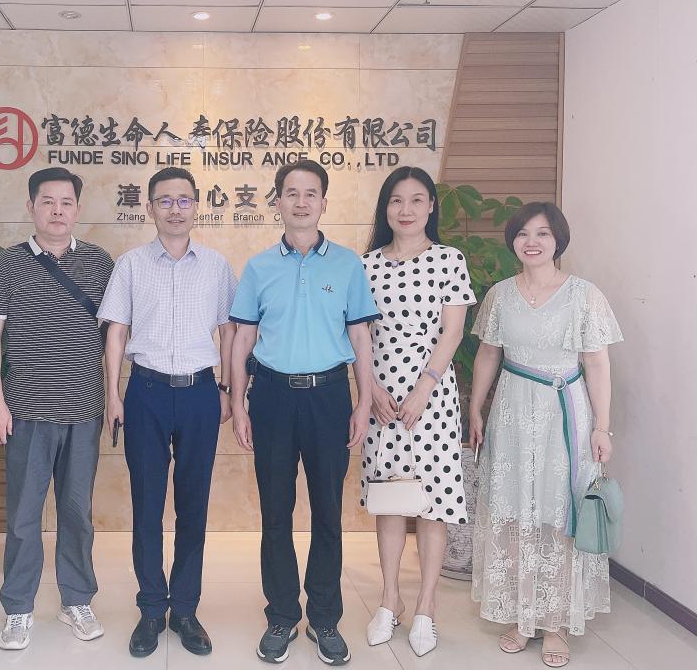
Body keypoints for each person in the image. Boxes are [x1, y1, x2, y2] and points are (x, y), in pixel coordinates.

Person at [229, 160, 380, 666]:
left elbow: (361, 337)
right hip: (271, 397)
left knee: (327, 514)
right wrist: (238, 401)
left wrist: (363, 402)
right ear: (277, 201)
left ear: (323, 202)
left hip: (329, 397)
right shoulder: (258, 267)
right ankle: (281, 615)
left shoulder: (347, 265)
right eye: (290, 193)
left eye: (310, 193)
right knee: (275, 512)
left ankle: (324, 618)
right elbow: (243, 338)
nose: (300, 202)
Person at [468, 202, 621, 669]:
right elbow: (488, 355)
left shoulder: (584, 295)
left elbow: (597, 363)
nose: (531, 241)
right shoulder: (500, 295)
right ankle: (523, 616)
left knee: (558, 513)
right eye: (522, 233)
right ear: (512, 241)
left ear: (559, 240)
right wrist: (475, 407)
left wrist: (601, 426)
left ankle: (555, 623)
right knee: (514, 509)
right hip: (512, 412)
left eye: (542, 233)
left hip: (565, 414)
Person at [99, 167, 238, 659]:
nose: (175, 209)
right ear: (150, 207)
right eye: (165, 200)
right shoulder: (131, 265)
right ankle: (152, 608)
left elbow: (229, 332)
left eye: (183, 200)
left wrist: (227, 390)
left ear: (196, 205)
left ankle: (185, 608)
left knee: (193, 505)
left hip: (200, 392)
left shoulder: (216, 266)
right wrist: (113, 395)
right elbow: (116, 332)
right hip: (146, 392)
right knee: (147, 503)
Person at [0, 167, 114, 651]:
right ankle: (18, 608)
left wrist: (114, 395)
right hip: (27, 410)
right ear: (31, 207)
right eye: (48, 202)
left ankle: (76, 599)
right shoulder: (7, 265)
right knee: (23, 516)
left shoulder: (99, 263)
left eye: (66, 202)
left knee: (77, 512)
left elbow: (115, 336)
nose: (58, 211)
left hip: (83, 408)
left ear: (78, 208)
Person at [358, 167, 476, 657]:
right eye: (396, 200)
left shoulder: (449, 259)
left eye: (416, 200)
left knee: (433, 500)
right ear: (385, 208)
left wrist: (424, 387)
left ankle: (426, 606)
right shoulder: (365, 265)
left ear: (431, 206)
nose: (405, 210)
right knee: (389, 496)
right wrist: (371, 388)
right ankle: (390, 599)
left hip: (433, 396)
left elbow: (453, 331)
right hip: (380, 398)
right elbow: (358, 335)